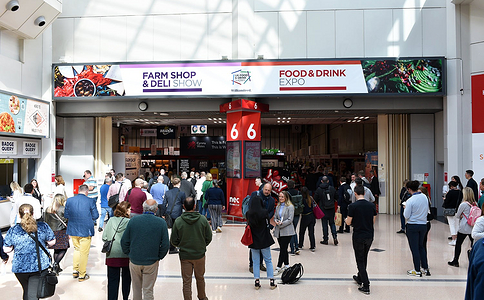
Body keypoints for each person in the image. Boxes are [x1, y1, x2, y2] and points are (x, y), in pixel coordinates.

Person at [3, 204, 55, 300]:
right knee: (33, 294)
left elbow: (6, 249)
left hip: (20, 268)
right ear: (33, 213)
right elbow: (52, 241)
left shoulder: (13, 230)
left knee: (27, 290)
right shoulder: (43, 226)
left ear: (19, 215)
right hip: (38, 266)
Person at [121, 199, 170, 300]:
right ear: (156, 209)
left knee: (136, 289)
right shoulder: (161, 222)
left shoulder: (133, 220)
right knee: (148, 290)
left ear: (143, 208)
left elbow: (124, 241)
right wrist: (159, 257)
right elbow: (165, 244)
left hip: (135, 260)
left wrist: (129, 254)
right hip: (151, 261)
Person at [170, 197, 212, 300]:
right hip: (199, 254)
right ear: (194, 206)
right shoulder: (202, 219)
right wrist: (201, 245)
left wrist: (180, 245)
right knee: (200, 278)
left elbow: (173, 240)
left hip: (185, 256)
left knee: (186, 281)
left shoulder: (179, 221)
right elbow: (209, 237)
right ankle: (202, 297)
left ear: (183, 206)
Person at [346, 185, 377, 295]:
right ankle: (360, 276)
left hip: (358, 235)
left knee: (359, 259)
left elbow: (348, 222)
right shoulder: (371, 206)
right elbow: (373, 221)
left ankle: (366, 284)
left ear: (355, 193)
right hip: (369, 235)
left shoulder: (353, 206)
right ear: (364, 193)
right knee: (364, 257)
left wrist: (345, 220)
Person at [65, 184, 99, 281]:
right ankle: (82, 274)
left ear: (78, 190)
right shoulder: (90, 201)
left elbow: (66, 214)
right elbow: (95, 216)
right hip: (85, 229)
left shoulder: (70, 200)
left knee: (76, 249)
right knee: (84, 253)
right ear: (87, 192)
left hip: (73, 229)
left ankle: (75, 270)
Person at [246, 194, 277, 290]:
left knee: (255, 262)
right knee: (268, 260)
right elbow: (267, 224)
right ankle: (271, 282)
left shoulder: (249, 214)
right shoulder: (264, 212)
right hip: (264, 239)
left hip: (254, 240)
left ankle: (257, 282)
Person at [103, 201, 131, 300]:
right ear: (126, 211)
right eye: (129, 209)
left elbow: (104, 237)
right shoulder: (129, 222)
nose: (131, 211)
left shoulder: (110, 220)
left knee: (112, 281)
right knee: (126, 280)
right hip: (126, 255)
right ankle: (125, 298)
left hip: (112, 254)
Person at [404, 180, 430, 277]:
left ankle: (417, 270)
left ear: (409, 189)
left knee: (414, 248)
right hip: (423, 225)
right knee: (421, 246)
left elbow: (406, 215)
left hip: (412, 225)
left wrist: (405, 208)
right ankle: (425, 268)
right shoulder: (424, 197)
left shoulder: (410, 201)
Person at [248, 183, 276, 273]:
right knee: (254, 244)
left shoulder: (271, 200)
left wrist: (266, 216)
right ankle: (252, 264)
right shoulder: (255, 195)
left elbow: (271, 210)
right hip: (254, 224)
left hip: (265, 226)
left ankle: (260, 263)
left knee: (263, 244)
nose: (267, 192)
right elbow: (250, 207)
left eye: (269, 190)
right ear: (263, 188)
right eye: (266, 190)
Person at [448, 187, 476, 267]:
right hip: (473, 226)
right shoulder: (475, 203)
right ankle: (474, 260)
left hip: (464, 226)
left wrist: (461, 216)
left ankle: (455, 260)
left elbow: (457, 215)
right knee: (473, 243)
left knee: (458, 244)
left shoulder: (463, 204)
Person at [44, 193, 69, 275]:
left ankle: (56, 267)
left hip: (52, 231)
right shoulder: (63, 209)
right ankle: (56, 264)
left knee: (56, 248)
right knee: (64, 248)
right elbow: (67, 219)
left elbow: (45, 219)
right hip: (61, 231)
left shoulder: (48, 208)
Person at [160, 177, 186, 254]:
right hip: (177, 212)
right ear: (179, 184)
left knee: (170, 229)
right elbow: (183, 204)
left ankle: (170, 245)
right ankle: (173, 246)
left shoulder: (167, 192)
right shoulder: (181, 193)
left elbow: (164, 204)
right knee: (177, 230)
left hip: (169, 212)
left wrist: (162, 214)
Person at [273, 191, 295, 275]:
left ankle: (278, 267)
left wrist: (282, 224)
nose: (280, 198)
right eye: (279, 196)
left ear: (286, 197)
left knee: (282, 249)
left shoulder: (290, 207)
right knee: (283, 248)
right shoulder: (278, 206)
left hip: (287, 231)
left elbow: (290, 219)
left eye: (282, 197)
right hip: (279, 231)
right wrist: (276, 221)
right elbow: (275, 217)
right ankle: (286, 265)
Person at [314, 176, 338, 246]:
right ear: (328, 181)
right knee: (332, 223)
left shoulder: (319, 189)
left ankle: (325, 239)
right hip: (331, 208)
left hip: (323, 209)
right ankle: (335, 236)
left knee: (324, 224)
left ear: (321, 181)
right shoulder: (332, 188)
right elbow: (337, 197)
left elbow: (315, 199)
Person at [443, 181, 463, 246]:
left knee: (451, 225)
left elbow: (447, 201)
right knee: (457, 224)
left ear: (451, 186)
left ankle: (453, 239)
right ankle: (457, 239)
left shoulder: (450, 193)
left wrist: (444, 199)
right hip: (458, 210)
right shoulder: (460, 192)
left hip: (450, 210)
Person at [298, 187, 316, 251]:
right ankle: (313, 246)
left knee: (302, 232)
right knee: (311, 232)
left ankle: (300, 245)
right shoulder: (310, 198)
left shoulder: (302, 200)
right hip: (312, 216)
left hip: (305, 217)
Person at [286, 179, 301, 255]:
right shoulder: (298, 192)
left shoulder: (287, 194)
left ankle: (292, 248)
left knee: (290, 231)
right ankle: (297, 247)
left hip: (289, 214)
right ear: (294, 185)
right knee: (294, 230)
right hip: (297, 213)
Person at [418, 186, 432, 258]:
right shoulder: (427, 199)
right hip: (425, 222)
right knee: (423, 243)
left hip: (424, 222)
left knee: (422, 243)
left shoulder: (424, 200)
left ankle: (423, 261)